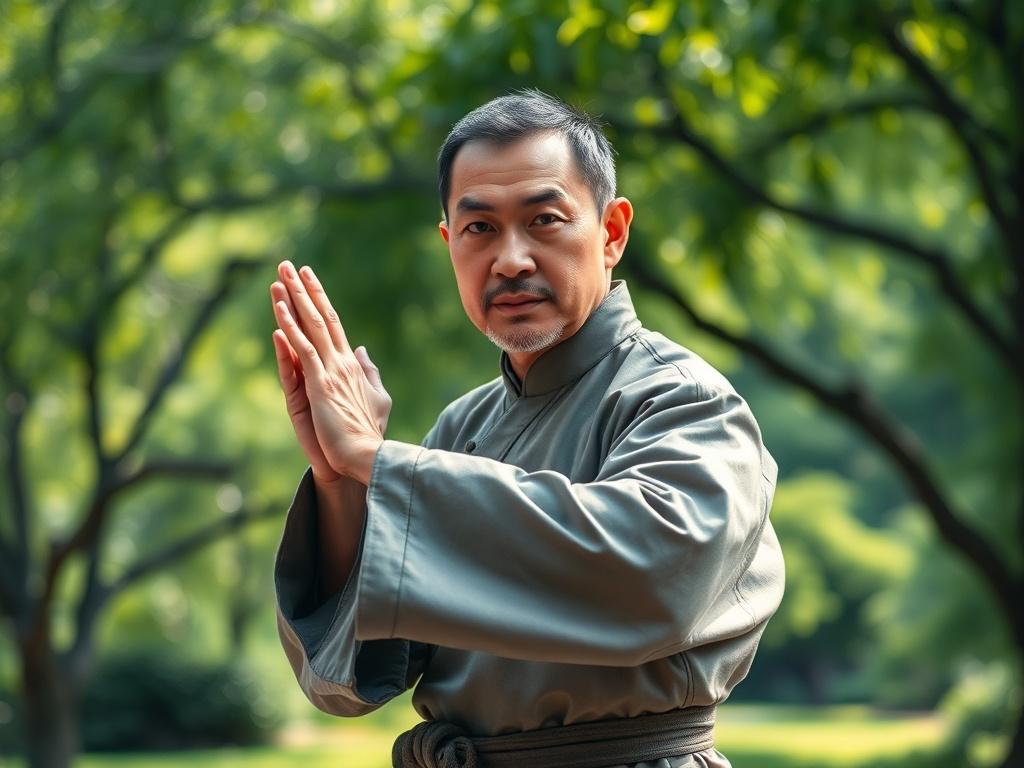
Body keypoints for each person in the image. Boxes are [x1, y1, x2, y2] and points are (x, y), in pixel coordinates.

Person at [269, 90, 784, 768]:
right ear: (450, 243)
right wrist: (340, 482)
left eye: (544, 219)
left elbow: (652, 580)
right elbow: (342, 685)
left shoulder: (681, 399)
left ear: (611, 233)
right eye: (480, 228)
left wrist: (379, 462)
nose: (510, 259)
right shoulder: (464, 425)